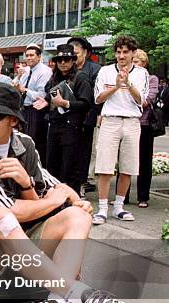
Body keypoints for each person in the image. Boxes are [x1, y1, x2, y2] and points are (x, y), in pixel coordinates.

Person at [0, 82, 141, 303]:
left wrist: (44, 190)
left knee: (78, 216)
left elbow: (56, 187)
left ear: (13, 121)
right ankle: (77, 294)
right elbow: (10, 211)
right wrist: (54, 197)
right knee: (2, 217)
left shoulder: (25, 144)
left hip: (16, 247)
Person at [92, 35, 149, 225]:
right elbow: (98, 99)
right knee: (105, 166)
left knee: (128, 167)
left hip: (132, 122)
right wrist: (116, 86)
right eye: (118, 52)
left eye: (125, 52)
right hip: (110, 120)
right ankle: (102, 209)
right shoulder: (105, 71)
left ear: (133, 53)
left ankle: (119, 206)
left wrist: (128, 84)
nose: (121, 56)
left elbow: (141, 100)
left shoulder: (142, 73)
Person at [32, 44, 93, 193]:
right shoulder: (54, 79)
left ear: (73, 60)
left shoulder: (81, 78)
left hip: (72, 127)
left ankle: (71, 200)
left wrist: (65, 103)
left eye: (66, 59)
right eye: (60, 60)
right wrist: (46, 102)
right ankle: (54, 200)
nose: (63, 63)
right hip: (54, 126)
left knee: (70, 167)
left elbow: (86, 104)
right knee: (52, 165)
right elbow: (48, 96)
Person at [67, 36, 102, 196]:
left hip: (86, 117)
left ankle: (81, 183)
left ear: (86, 53)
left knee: (84, 151)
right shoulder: (67, 69)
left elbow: (96, 97)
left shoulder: (95, 69)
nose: (73, 57)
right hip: (67, 117)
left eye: (76, 53)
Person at [16, 43, 53, 164]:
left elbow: (42, 95)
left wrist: (24, 90)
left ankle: (37, 168)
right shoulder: (26, 70)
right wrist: (18, 78)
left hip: (37, 111)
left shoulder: (45, 72)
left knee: (35, 142)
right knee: (22, 140)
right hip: (24, 110)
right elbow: (16, 84)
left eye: (32, 55)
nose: (29, 58)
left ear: (39, 57)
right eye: (27, 55)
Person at [132, 49, 159, 208]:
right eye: (132, 62)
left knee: (144, 161)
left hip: (144, 124)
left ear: (144, 63)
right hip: (128, 121)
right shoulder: (125, 77)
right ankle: (124, 196)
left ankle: (143, 196)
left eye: (137, 62)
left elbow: (146, 100)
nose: (134, 65)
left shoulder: (152, 79)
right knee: (124, 161)